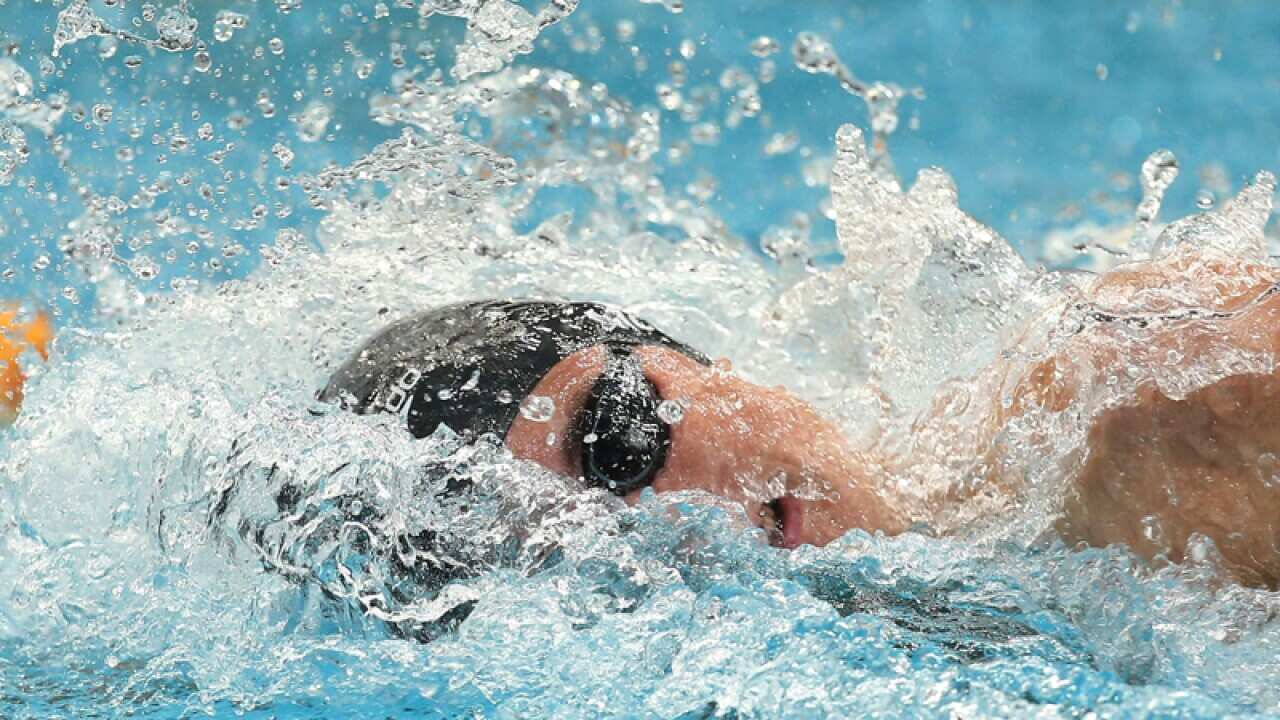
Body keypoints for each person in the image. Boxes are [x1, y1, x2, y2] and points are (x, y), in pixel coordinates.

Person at [322, 246, 1280, 589]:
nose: (670, 522)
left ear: (692, 361)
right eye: (571, 557)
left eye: (621, 443)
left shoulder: (1148, 397)